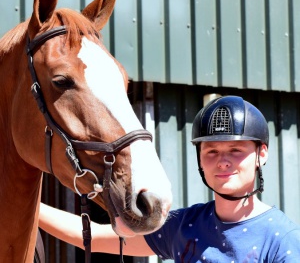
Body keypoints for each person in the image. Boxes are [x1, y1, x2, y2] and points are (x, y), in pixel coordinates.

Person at [39, 95, 300, 262]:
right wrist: (29, 209)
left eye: (235, 150)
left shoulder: (282, 239)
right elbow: (94, 237)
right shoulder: (183, 227)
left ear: (261, 154)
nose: (222, 161)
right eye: (211, 151)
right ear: (199, 159)